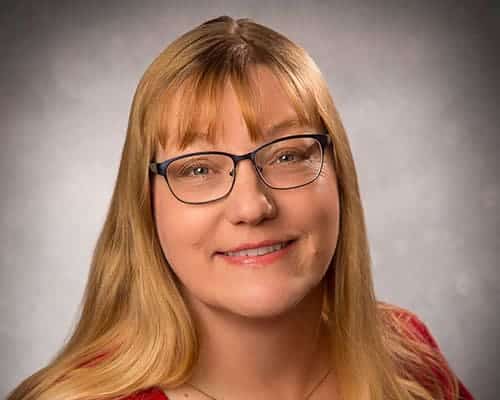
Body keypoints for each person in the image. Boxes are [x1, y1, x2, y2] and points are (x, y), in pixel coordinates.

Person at [7, 16, 474, 400]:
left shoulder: (409, 358)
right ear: (143, 205)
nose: (252, 207)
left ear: (339, 176)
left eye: (288, 156)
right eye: (197, 169)